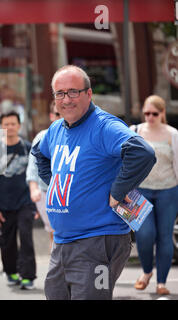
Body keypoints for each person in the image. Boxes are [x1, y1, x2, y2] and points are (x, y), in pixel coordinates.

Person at [31, 65, 156, 300]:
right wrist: (57, 184)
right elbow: (39, 152)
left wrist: (119, 191)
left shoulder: (104, 126)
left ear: (89, 94)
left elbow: (142, 152)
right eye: (60, 93)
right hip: (63, 242)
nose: (66, 99)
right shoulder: (57, 129)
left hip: (98, 239)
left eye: (73, 92)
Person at [129, 95, 178, 295]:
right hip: (139, 190)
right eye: (147, 113)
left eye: (154, 114)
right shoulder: (134, 131)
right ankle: (147, 271)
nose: (150, 117)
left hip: (168, 189)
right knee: (145, 233)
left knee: (165, 236)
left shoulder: (173, 134)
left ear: (162, 113)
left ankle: (161, 282)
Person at [0, 110, 37, 289]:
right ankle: (11, 271)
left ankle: (28, 275)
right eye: (6, 124)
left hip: (26, 202)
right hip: (4, 204)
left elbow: (37, 176)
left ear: (19, 125)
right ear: (1, 127)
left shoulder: (28, 148)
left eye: (13, 124)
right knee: (7, 241)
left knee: (26, 236)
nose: (10, 127)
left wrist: (38, 203)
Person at [26, 102, 61, 249]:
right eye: (58, 113)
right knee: (54, 232)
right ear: (51, 116)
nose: (61, 116)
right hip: (46, 191)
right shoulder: (43, 136)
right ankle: (58, 268)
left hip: (72, 191)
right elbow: (33, 165)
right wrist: (33, 189)